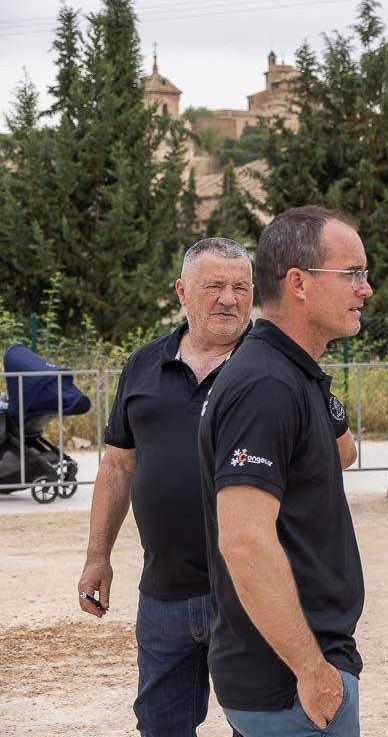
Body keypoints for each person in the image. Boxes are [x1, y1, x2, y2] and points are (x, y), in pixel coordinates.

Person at [197, 206, 372, 736]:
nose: (365, 289)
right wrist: (311, 670)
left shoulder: (290, 374)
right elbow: (245, 543)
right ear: (298, 282)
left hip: (295, 670)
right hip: (289, 682)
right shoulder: (266, 386)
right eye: (353, 274)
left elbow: (341, 456)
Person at [76, 238, 253, 736]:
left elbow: (340, 454)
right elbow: (117, 467)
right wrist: (97, 557)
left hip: (249, 593)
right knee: (159, 727)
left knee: (262, 727)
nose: (229, 298)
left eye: (241, 287)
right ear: (182, 291)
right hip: (164, 595)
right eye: (214, 285)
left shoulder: (269, 367)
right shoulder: (142, 365)